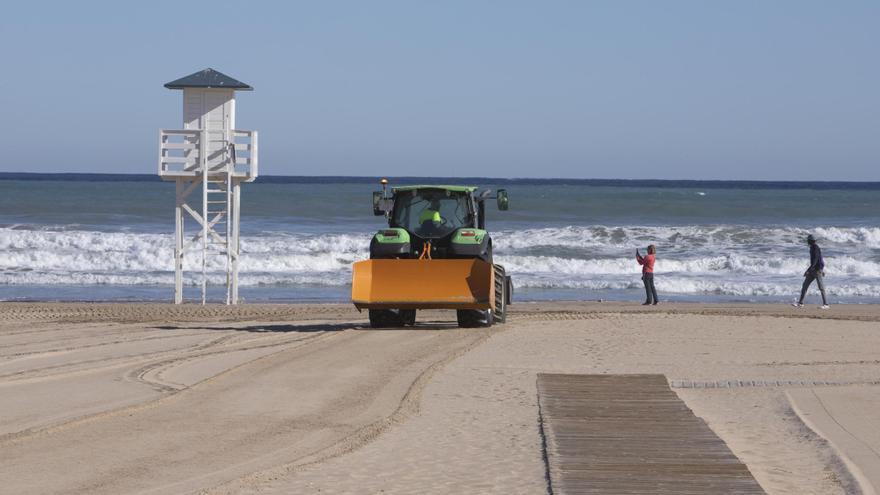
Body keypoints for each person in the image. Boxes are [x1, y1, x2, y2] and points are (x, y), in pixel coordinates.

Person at [793, 234, 829, 309]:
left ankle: (826, 304)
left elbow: (815, 260)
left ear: (811, 241)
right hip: (813, 270)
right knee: (805, 286)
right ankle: (800, 303)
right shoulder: (812, 247)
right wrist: (810, 269)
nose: (807, 241)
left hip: (817, 270)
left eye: (808, 240)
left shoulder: (815, 248)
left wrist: (808, 270)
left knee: (821, 287)